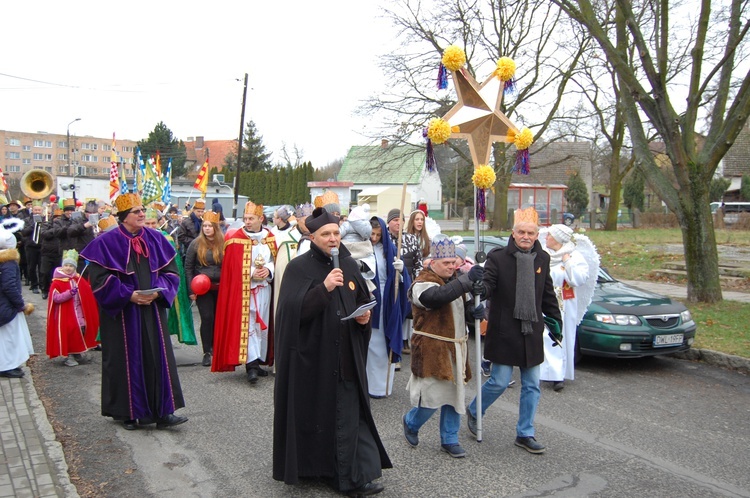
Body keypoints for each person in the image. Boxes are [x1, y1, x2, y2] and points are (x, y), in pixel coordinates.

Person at [273, 207, 391, 496]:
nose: (333, 238)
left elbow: (363, 300)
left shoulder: (350, 265)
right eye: (326, 234)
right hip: (314, 359)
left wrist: (364, 318)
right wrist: (323, 289)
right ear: (313, 237)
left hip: (346, 355)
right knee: (321, 414)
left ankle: (349, 477)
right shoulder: (299, 268)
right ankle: (321, 469)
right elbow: (291, 314)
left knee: (348, 415)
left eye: (336, 233)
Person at [80, 193, 188, 431]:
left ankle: (163, 412)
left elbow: (171, 273)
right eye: (137, 212)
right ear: (123, 217)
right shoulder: (106, 243)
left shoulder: (156, 239)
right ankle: (126, 413)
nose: (142, 214)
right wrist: (128, 295)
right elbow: (98, 280)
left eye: (142, 210)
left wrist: (158, 293)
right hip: (122, 313)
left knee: (156, 357)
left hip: (152, 310)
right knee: (124, 360)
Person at [466, 207, 562, 454]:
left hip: (531, 330)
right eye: (521, 232)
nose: (526, 236)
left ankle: (525, 433)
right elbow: (488, 286)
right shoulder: (498, 258)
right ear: (513, 232)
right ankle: (475, 410)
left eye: (531, 232)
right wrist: (478, 288)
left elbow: (547, 293)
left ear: (537, 234)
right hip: (504, 330)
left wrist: (555, 321)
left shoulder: (543, 259)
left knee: (532, 385)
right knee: (498, 382)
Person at [402, 234, 484, 458]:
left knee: (455, 396)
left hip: (456, 348)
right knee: (431, 398)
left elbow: (459, 311)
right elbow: (435, 299)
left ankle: (450, 438)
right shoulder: (422, 283)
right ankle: (411, 421)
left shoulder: (456, 283)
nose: (451, 267)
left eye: (453, 263)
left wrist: (473, 312)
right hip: (432, 350)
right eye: (446, 263)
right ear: (432, 263)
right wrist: (465, 282)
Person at [212, 200, 276, 383]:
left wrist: (268, 270)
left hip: (265, 289)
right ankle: (251, 365)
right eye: (245, 218)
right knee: (248, 327)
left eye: (251, 218)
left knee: (260, 325)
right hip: (244, 291)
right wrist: (250, 272)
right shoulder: (234, 240)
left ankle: (258, 360)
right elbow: (231, 268)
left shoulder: (269, 237)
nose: (247, 222)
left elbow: (274, 259)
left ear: (261, 219)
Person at [539, 224, 599, 391]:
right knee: (543, 337)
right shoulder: (544, 255)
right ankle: (544, 371)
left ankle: (558, 375)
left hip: (563, 302)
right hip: (544, 301)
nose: (546, 238)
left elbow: (578, 279)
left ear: (558, 239)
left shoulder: (574, 256)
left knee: (561, 337)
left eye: (549, 235)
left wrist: (568, 262)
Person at [367, 216, 411, 398]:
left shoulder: (391, 250)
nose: (375, 238)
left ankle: (384, 386)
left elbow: (402, 281)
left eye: (378, 234)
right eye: (372, 234)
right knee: (371, 345)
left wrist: (400, 273)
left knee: (386, 341)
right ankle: (370, 385)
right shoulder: (364, 249)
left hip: (387, 301)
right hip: (370, 297)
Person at [146, 207, 197, 347]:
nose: (150, 227)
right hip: (143, 285)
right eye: (147, 224)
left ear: (158, 223)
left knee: (162, 319)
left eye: (153, 223)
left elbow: (175, 265)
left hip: (161, 286)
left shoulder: (166, 238)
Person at [46, 249, 99, 366]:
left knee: (80, 330)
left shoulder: (78, 279)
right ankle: (68, 355)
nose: (68, 268)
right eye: (66, 265)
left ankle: (77, 352)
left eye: (71, 266)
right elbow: (56, 298)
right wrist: (69, 293)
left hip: (79, 313)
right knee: (69, 332)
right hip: (66, 314)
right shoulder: (57, 282)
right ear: (62, 266)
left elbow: (87, 293)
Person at [184, 211, 224, 367]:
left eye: (210, 226)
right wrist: (191, 290)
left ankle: (217, 347)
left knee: (219, 319)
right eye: (204, 226)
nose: (207, 229)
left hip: (221, 287)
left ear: (215, 227)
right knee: (207, 317)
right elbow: (188, 268)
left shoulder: (224, 242)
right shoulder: (196, 243)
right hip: (203, 287)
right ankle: (207, 351)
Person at [0, 219, 35, 378]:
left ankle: (8, 365)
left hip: (4, 304)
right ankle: (6, 366)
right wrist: (20, 304)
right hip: (6, 306)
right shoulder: (8, 262)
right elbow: (9, 286)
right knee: (9, 338)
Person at [270, 205, 301, 307]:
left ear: (280, 219)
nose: (272, 219)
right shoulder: (272, 232)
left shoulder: (292, 233)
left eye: (274, 217)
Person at [66, 200, 99, 275]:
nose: (91, 215)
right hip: (82, 255)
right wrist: (84, 226)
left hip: (97, 256)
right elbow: (70, 231)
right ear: (85, 212)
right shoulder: (78, 220)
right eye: (89, 213)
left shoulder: (101, 220)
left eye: (94, 213)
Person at [20, 201, 44, 294]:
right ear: (32, 210)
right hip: (31, 246)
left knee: (42, 268)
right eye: (35, 210)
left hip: (42, 246)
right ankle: (34, 285)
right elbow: (24, 232)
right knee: (32, 267)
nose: (37, 212)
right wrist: (33, 225)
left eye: (39, 210)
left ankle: (42, 285)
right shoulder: (27, 220)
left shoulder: (45, 219)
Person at [39, 207, 62, 299]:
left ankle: (57, 290)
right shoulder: (47, 224)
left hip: (58, 253)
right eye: (56, 217)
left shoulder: (63, 225)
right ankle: (45, 290)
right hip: (47, 253)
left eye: (59, 217)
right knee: (45, 273)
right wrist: (55, 229)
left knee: (57, 274)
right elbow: (44, 234)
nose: (58, 219)